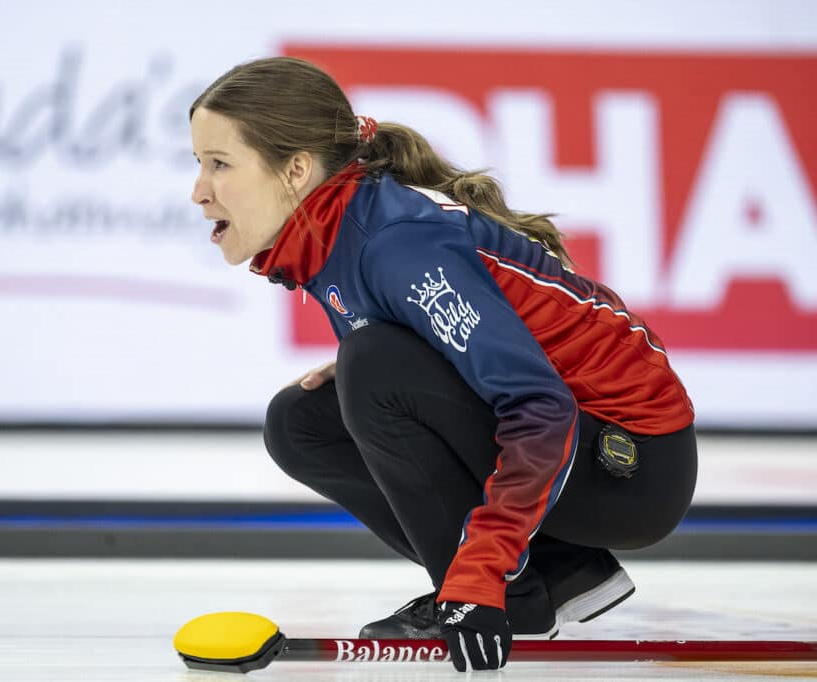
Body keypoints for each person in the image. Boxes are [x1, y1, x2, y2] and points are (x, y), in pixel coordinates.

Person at [188, 56, 697, 672]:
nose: (199, 191)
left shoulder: (396, 243)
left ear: (295, 170)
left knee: (372, 367)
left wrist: (480, 577)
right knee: (302, 421)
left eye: (220, 164)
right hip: (583, 447)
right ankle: (560, 573)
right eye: (198, 164)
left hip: (632, 465)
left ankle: (504, 591)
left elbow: (540, 407)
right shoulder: (335, 234)